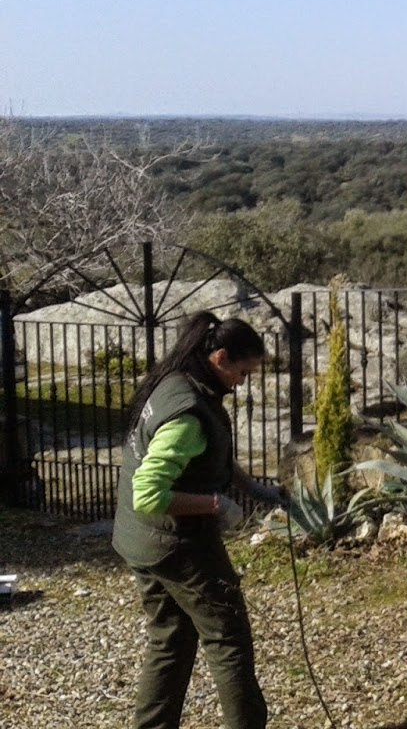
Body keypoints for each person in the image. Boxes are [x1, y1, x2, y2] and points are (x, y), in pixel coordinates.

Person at [111, 312, 287, 729]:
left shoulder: (176, 382)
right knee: (229, 640)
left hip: (140, 540)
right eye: (243, 372)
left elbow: (210, 456)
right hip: (176, 545)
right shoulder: (188, 414)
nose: (244, 382)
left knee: (169, 639)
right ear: (221, 357)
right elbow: (149, 494)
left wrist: (253, 488)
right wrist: (216, 506)